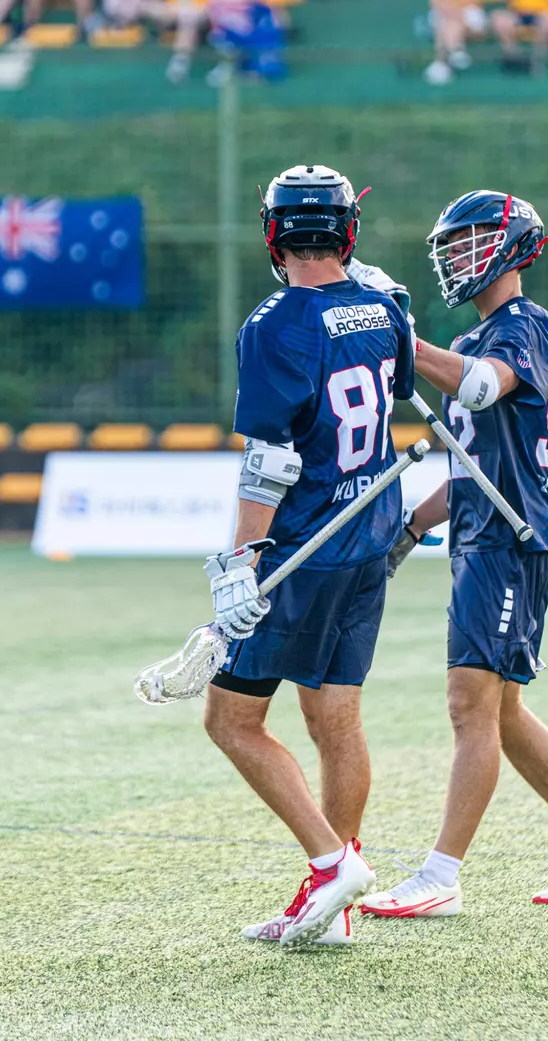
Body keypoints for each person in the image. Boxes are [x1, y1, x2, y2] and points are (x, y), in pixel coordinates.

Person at [360, 189, 548, 918]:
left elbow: (483, 391)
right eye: (452, 244)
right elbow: (470, 467)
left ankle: (440, 876)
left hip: (511, 539)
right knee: (501, 710)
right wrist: (411, 528)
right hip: (481, 531)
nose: (458, 255)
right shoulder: (477, 340)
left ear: (513, 246)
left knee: (468, 705)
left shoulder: (524, 326)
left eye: (472, 239)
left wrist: (403, 344)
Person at [202, 165, 416, 948]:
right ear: (346, 232)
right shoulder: (384, 308)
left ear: (273, 233)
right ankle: (337, 907)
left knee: (231, 721)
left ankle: (332, 866)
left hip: (308, 546)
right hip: (370, 533)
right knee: (334, 714)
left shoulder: (274, 323)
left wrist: (242, 561)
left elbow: (272, 459)